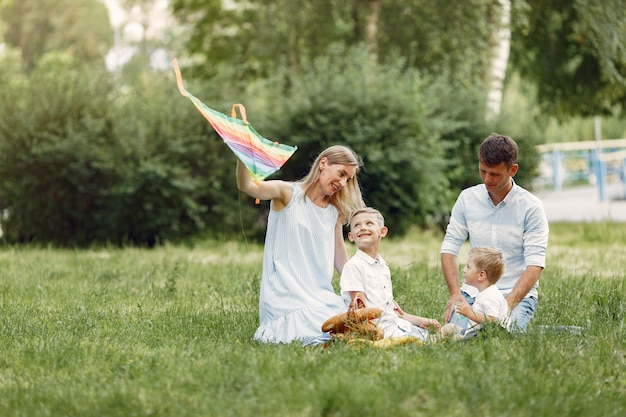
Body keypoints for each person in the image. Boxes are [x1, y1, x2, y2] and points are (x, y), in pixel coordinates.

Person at [236, 145, 365, 346]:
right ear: (323, 164)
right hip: (286, 297)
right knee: (321, 325)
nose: (342, 183)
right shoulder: (287, 193)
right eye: (341, 174)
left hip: (321, 296)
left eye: (347, 179)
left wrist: (357, 290)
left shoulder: (333, 211)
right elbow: (248, 186)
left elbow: (340, 259)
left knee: (359, 316)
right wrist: (243, 153)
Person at [440, 133, 549, 332]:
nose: (487, 179)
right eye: (483, 171)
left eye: (495, 174)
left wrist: (505, 306)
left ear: (512, 170)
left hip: (513, 295)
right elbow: (449, 249)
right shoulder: (467, 199)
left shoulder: (531, 207)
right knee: (454, 335)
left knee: (504, 333)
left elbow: (535, 264)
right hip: (473, 292)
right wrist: (455, 293)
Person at [340, 207, 441, 341]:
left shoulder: (382, 267)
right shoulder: (354, 266)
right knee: (438, 338)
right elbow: (360, 311)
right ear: (351, 236)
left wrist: (420, 320)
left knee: (448, 333)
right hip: (377, 331)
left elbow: (392, 311)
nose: (363, 228)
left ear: (382, 232)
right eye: (357, 225)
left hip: (394, 325)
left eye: (369, 223)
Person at [440, 246, 509, 339]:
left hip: (484, 336)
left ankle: (432, 342)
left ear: (481, 275)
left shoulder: (491, 296)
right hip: (473, 331)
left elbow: (493, 322)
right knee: (450, 327)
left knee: (454, 339)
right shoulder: (484, 293)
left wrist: (469, 313)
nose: (463, 270)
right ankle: (434, 338)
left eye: (468, 267)